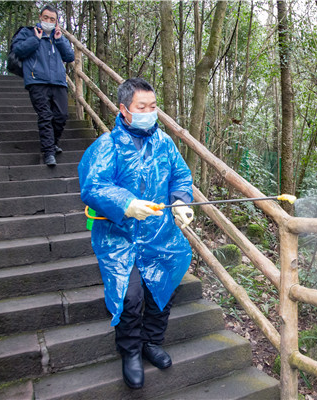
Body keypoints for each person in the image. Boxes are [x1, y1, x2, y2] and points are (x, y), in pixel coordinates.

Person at [78, 78, 194, 389]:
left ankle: (152, 342)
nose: (149, 112)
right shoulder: (107, 145)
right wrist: (126, 203)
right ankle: (130, 350)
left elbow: (180, 176)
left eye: (153, 107)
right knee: (130, 296)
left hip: (159, 233)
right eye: (141, 107)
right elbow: (93, 186)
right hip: (119, 236)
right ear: (124, 109)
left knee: (164, 284)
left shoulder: (164, 143)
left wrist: (180, 201)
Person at [11, 4, 75, 166]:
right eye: (46, 18)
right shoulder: (27, 33)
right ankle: (48, 153)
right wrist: (35, 39)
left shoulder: (57, 36)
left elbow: (69, 56)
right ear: (40, 17)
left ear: (56, 21)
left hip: (58, 81)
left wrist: (59, 40)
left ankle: (53, 143)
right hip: (37, 80)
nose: (48, 21)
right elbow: (18, 51)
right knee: (45, 116)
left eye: (52, 19)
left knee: (61, 115)